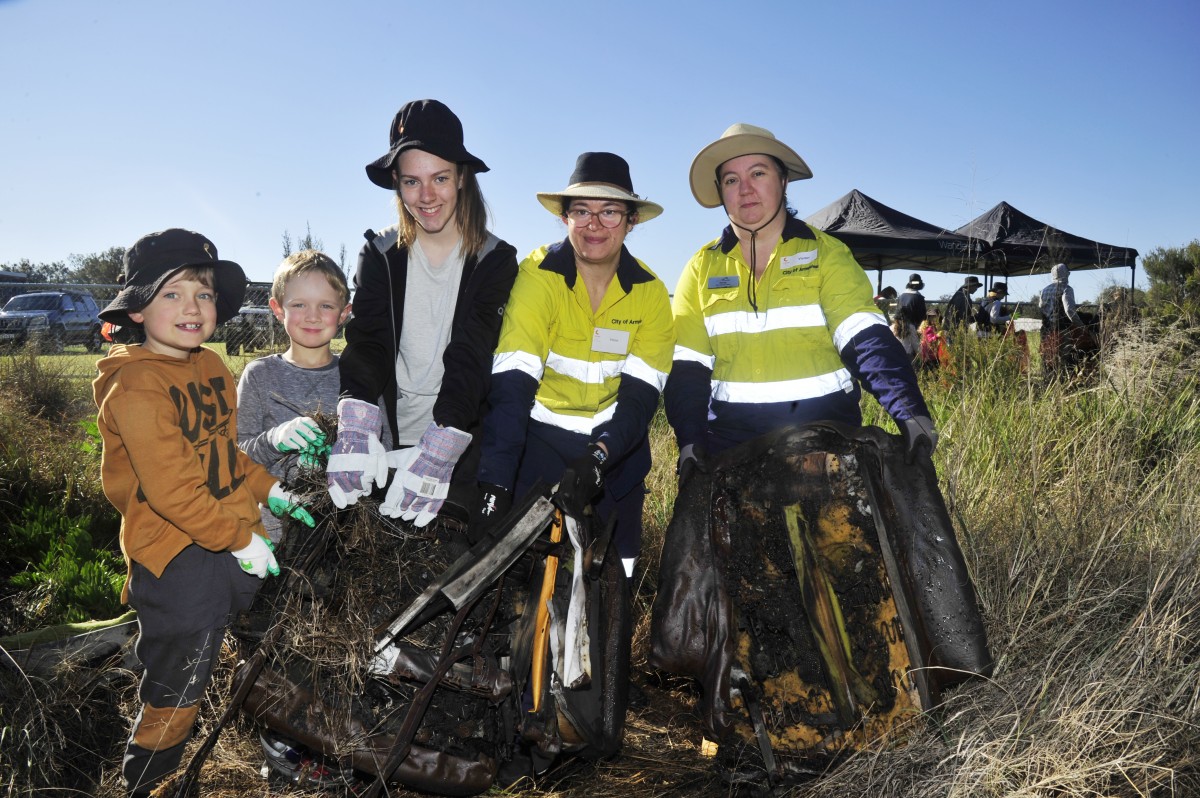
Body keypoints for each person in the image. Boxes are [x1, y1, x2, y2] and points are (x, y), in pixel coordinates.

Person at [92, 229, 314, 797]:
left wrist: (270, 493)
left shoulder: (211, 367)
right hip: (176, 558)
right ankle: (150, 783)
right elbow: (171, 491)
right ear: (138, 307)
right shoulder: (136, 386)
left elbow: (224, 456)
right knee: (179, 683)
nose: (192, 307)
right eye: (172, 293)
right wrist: (239, 541)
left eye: (205, 294)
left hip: (229, 538)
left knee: (242, 642)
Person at [664, 123, 937, 476]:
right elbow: (688, 368)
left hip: (828, 449)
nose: (744, 189)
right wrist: (689, 440)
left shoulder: (827, 254)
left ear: (783, 181)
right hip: (733, 453)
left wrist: (909, 411)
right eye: (731, 180)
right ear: (721, 192)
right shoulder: (700, 268)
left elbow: (865, 339)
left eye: (757, 173)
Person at [476, 152, 673, 577]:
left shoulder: (652, 293)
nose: (594, 225)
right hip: (541, 446)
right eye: (581, 211)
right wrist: (495, 481)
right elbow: (513, 383)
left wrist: (601, 456)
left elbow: (639, 401)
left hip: (615, 454)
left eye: (610, 212)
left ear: (631, 221)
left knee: (616, 578)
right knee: (526, 582)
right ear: (565, 218)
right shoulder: (538, 273)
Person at [328, 99, 519, 531]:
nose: (427, 196)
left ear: (463, 178)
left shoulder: (495, 259)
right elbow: (369, 341)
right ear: (396, 182)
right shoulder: (379, 254)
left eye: (440, 178)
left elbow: (473, 351)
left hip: (456, 440)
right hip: (386, 441)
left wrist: (443, 440)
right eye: (412, 181)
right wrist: (356, 416)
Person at [237, 250, 351, 543]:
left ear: (344, 313)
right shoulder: (260, 375)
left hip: (342, 535)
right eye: (299, 304)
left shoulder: (356, 376)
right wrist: (274, 439)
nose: (312, 316)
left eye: (326, 305)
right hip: (271, 534)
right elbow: (235, 457)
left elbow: (382, 442)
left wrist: (342, 452)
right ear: (277, 309)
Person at [1040, 262, 1083, 374]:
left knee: (1048, 356)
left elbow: (1041, 307)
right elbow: (1069, 310)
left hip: (1046, 329)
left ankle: (1048, 379)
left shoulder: (1045, 290)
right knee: (1064, 357)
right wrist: (1081, 326)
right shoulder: (1066, 289)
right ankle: (1063, 382)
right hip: (1061, 329)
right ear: (1066, 274)